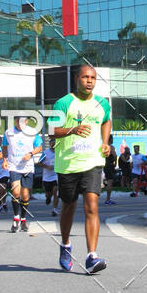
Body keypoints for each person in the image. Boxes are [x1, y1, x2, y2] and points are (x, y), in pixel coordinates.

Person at [49, 64, 111, 274]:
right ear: (77, 78)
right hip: (68, 164)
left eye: (92, 78)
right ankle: (65, 245)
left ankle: (91, 256)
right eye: (85, 77)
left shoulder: (102, 103)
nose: (89, 81)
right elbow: (52, 131)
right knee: (69, 207)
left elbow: (106, 120)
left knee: (92, 205)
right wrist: (73, 129)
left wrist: (105, 142)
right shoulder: (64, 103)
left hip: (92, 161)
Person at [2, 116, 43, 233]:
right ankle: (16, 218)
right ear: (15, 121)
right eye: (18, 121)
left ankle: (23, 219)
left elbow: (39, 147)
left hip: (27, 167)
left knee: (25, 195)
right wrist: (5, 160)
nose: (20, 124)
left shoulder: (32, 132)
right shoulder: (8, 132)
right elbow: (4, 146)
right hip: (14, 166)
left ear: (27, 121)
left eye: (22, 121)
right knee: (15, 191)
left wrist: (30, 154)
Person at [39, 139, 59, 216]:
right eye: (51, 143)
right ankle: (48, 198)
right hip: (47, 177)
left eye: (54, 143)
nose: (53, 145)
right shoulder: (46, 153)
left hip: (56, 175)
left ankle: (54, 209)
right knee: (49, 193)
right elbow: (39, 162)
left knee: (55, 190)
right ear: (50, 144)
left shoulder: (59, 152)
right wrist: (47, 166)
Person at [103, 135, 117, 205]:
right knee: (110, 181)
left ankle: (108, 198)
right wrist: (115, 163)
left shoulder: (103, 147)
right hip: (110, 165)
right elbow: (114, 155)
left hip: (105, 165)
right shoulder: (111, 147)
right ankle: (108, 199)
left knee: (109, 180)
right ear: (110, 139)